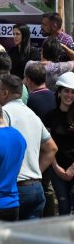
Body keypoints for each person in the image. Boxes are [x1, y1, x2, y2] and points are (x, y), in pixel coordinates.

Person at [0, 74, 57, 220]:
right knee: (29, 240)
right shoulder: (32, 114)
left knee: (8, 239)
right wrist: (35, 172)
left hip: (14, 189)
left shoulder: (3, 113)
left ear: (5, 93)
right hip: (35, 187)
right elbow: (51, 148)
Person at [43, 72, 74, 215]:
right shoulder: (50, 116)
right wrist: (56, 167)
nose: (69, 95)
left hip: (72, 167)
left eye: (73, 92)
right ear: (59, 93)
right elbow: (47, 144)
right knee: (63, 206)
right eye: (66, 91)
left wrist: (72, 168)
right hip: (57, 169)